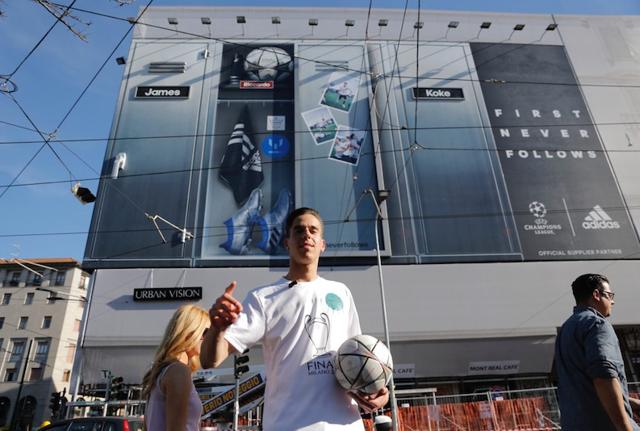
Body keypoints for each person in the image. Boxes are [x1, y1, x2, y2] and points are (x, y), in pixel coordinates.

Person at [201, 207, 389, 431]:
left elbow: (358, 360)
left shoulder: (341, 293)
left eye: (313, 230)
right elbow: (209, 360)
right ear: (286, 243)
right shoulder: (263, 298)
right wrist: (217, 330)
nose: (306, 235)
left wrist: (376, 391)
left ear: (322, 244)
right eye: (299, 230)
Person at [555, 273, 640, 431]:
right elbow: (603, 378)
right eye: (610, 295)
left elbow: (586, 388)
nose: (613, 301)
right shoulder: (597, 324)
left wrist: (630, 402)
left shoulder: (565, 330)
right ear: (596, 295)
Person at [142, 304, 209, 431]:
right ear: (189, 332)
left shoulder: (161, 371)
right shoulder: (178, 371)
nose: (209, 338)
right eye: (206, 332)